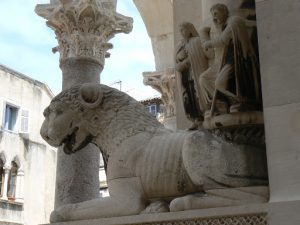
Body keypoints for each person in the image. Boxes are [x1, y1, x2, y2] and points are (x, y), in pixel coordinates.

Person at [204, 3, 262, 115]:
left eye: (216, 13)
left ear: (224, 11)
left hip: (240, 59)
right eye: (212, 15)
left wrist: (208, 43)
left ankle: (243, 100)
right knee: (213, 81)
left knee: (220, 83)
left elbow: (223, 40)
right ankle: (230, 102)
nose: (214, 17)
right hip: (232, 58)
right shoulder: (226, 23)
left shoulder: (233, 21)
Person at [175, 22, 214, 129]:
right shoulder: (181, 45)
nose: (181, 33)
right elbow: (177, 61)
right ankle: (196, 117)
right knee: (189, 95)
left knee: (197, 94)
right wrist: (181, 61)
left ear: (189, 29)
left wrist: (187, 60)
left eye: (183, 30)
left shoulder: (197, 41)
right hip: (186, 76)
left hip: (196, 72)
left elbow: (208, 55)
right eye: (180, 31)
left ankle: (205, 111)